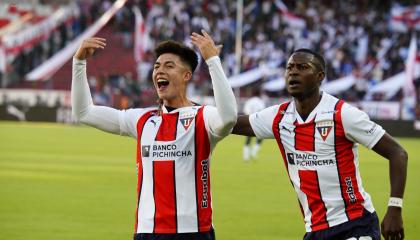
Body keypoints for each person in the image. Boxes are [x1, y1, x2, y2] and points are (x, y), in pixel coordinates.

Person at [72, 30, 237, 240]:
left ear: (187, 76)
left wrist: (212, 60)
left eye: (169, 66)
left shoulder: (202, 117)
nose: (160, 70)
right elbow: (83, 112)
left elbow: (229, 117)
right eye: (157, 66)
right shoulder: (142, 120)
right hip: (147, 232)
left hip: (193, 232)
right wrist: (78, 63)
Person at [232, 49, 408, 240]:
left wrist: (395, 207)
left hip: (355, 224)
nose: (293, 72)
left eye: (302, 67)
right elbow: (230, 123)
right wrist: (197, 108)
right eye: (289, 67)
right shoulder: (279, 117)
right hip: (315, 229)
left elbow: (397, 153)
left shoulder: (342, 114)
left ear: (320, 76)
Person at [242, 88, 265, 161]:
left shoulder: (249, 101)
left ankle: (246, 156)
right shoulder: (260, 101)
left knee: (248, 139)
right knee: (260, 138)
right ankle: (254, 153)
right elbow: (262, 111)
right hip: (258, 122)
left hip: (248, 121)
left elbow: (245, 111)